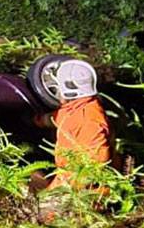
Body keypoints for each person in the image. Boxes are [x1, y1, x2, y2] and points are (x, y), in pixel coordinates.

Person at [43, 59, 111, 190]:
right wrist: (33, 119)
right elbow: (55, 119)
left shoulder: (90, 120)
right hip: (68, 174)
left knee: (40, 202)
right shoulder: (75, 108)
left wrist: (71, 188)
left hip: (82, 185)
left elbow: (98, 162)